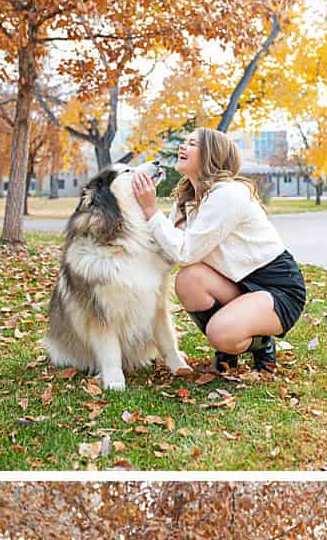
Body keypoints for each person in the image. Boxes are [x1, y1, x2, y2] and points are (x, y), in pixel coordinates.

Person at [130, 127, 308, 374]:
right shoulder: (188, 199)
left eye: (192, 143)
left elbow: (185, 252)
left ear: (212, 155)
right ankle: (231, 344)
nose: (183, 146)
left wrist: (150, 210)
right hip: (235, 282)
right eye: (185, 141)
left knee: (220, 332)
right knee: (188, 279)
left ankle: (261, 342)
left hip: (276, 287)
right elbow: (168, 249)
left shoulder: (228, 194)